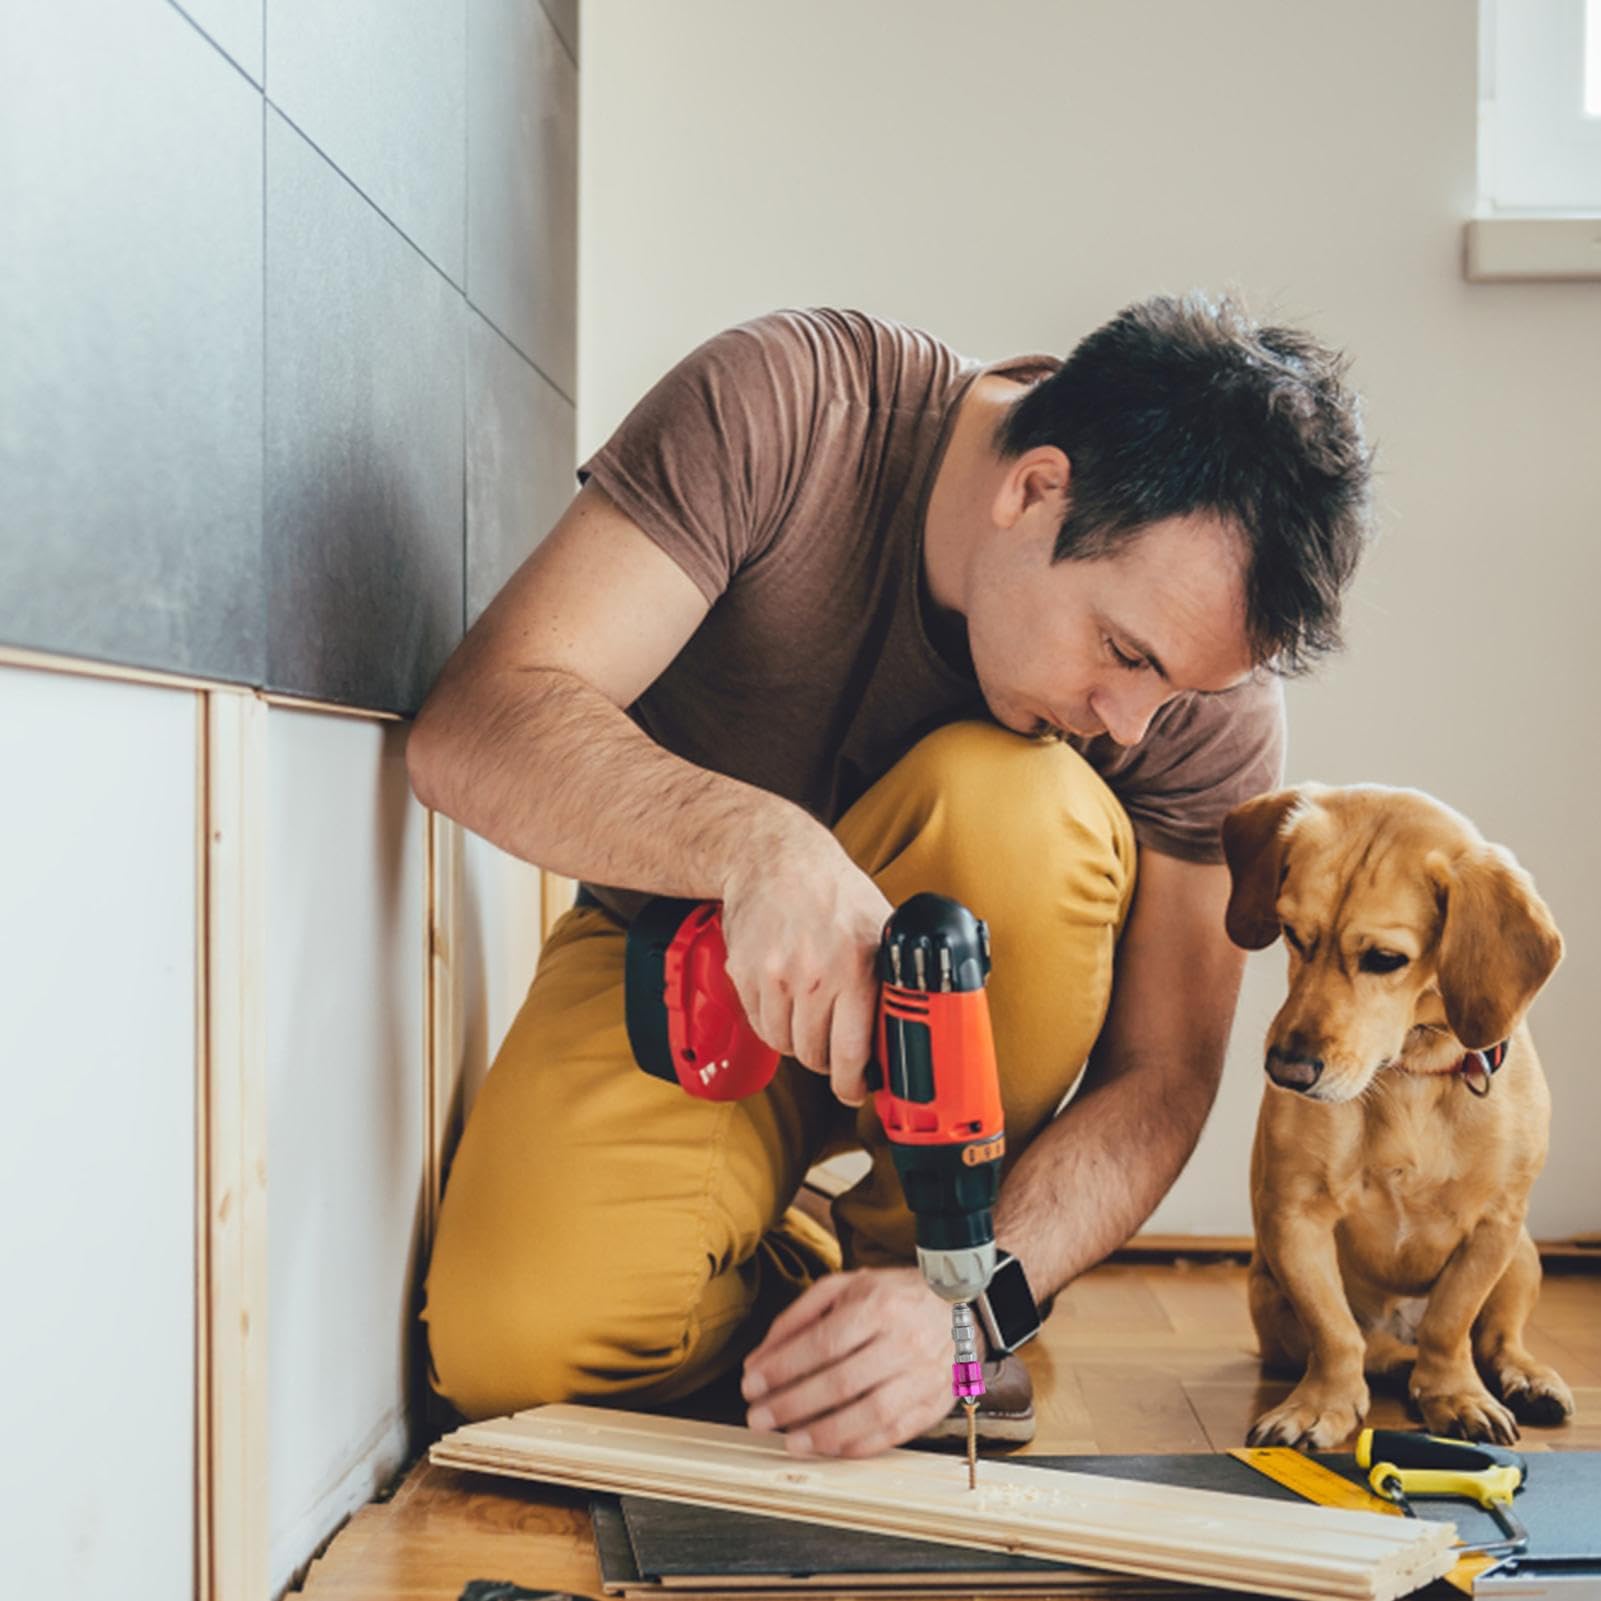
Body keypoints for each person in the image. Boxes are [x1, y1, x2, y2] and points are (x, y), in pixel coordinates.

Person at [405, 295, 1374, 1459]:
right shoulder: (790, 410)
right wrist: (752, 843)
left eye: (1174, 689)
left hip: (962, 1080)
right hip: (688, 956)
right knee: (517, 1349)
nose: (1128, 723)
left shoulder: (1194, 697)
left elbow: (1162, 1077)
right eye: (1122, 654)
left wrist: (974, 1304)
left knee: (1015, 802)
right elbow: (471, 727)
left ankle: (923, 1296)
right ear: (1034, 489)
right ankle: (808, 1268)